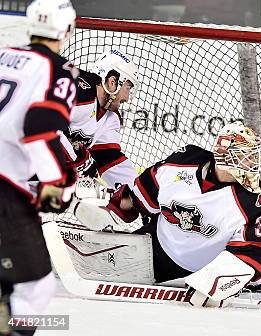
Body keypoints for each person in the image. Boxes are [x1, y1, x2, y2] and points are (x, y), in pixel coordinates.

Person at [105, 121, 261, 295]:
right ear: (226, 156)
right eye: (247, 156)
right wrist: (115, 209)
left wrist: (219, 283)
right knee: (111, 262)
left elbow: (255, 252)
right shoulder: (183, 161)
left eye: (254, 157)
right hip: (159, 248)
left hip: (210, 267)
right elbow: (145, 192)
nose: (253, 163)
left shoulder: (252, 198)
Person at [0, 1, 78, 334]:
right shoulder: (58, 71)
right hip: (5, 186)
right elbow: (39, 129)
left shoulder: (3, 55)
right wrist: (54, 180)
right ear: (67, 29)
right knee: (37, 286)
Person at [60, 49, 140, 189]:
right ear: (112, 81)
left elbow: (110, 160)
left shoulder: (110, 118)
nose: (127, 98)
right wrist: (77, 160)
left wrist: (135, 194)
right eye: (127, 88)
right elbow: (42, 126)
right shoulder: (77, 91)